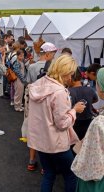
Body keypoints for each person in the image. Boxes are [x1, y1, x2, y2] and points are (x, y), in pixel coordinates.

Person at [27, 54, 86, 191]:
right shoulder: (59, 92)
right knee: (71, 174)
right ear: (64, 72)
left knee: (49, 174)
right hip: (56, 143)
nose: (71, 78)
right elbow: (62, 124)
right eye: (70, 74)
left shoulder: (38, 84)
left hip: (40, 141)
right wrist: (74, 111)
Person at [24, 42, 57, 171]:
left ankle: (31, 161)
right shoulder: (54, 67)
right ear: (48, 54)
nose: (54, 56)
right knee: (48, 132)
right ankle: (45, 166)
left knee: (34, 130)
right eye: (53, 54)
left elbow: (29, 83)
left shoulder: (32, 67)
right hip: (48, 102)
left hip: (34, 100)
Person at [71, 67, 104, 191]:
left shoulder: (99, 123)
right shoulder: (89, 91)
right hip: (87, 121)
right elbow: (95, 99)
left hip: (98, 181)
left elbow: (91, 161)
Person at [68, 67, 98, 140]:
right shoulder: (90, 89)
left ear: (70, 79)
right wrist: (88, 102)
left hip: (75, 123)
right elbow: (96, 99)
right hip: (88, 121)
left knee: (74, 145)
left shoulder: (68, 91)